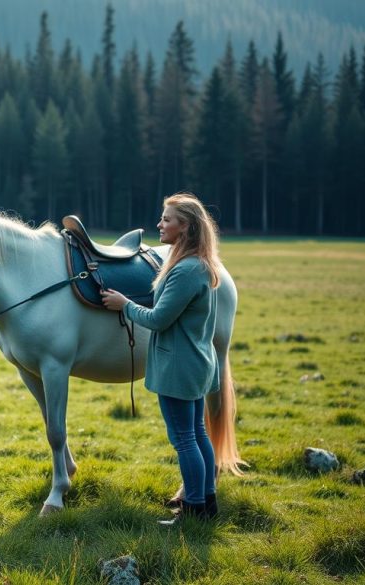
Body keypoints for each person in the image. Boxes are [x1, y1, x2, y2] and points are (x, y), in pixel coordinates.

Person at [100, 192, 221, 525]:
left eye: (167, 219)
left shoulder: (185, 270)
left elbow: (157, 320)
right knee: (197, 433)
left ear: (185, 228)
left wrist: (124, 303)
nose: (160, 224)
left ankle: (194, 509)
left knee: (185, 438)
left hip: (180, 366)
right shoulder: (198, 265)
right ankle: (207, 503)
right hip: (196, 361)